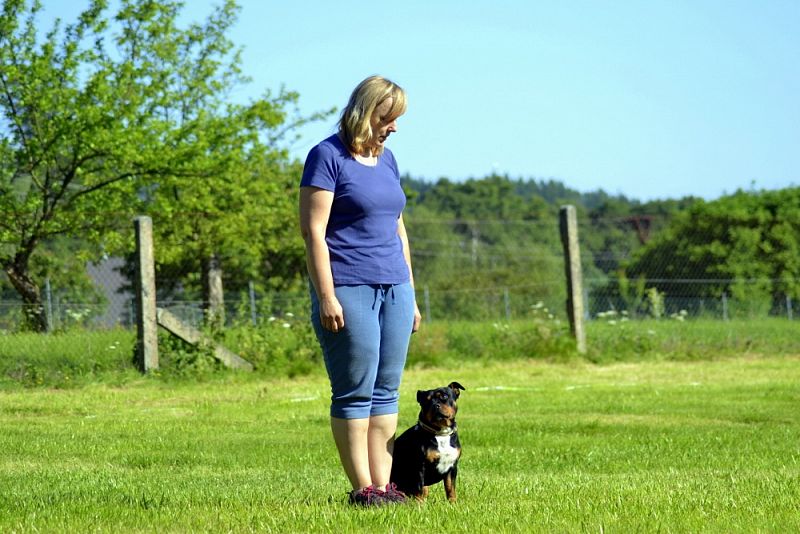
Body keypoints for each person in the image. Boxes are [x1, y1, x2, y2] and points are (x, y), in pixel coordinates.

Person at [298, 75, 422, 506]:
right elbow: (314, 233)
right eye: (389, 118)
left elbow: (398, 227)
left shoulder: (388, 160)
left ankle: (385, 487)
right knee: (355, 390)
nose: (394, 127)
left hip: (396, 287)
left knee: (387, 390)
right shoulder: (326, 156)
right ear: (367, 112)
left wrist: (412, 294)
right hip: (348, 286)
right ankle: (362, 489)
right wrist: (327, 295)